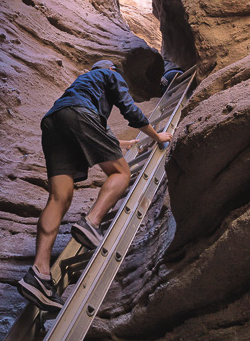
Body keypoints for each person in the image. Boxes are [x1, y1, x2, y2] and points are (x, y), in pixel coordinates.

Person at [17, 59, 173, 312]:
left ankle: (39, 273)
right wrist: (156, 136)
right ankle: (91, 223)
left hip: (53, 122)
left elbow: (84, 118)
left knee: (59, 198)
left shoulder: (81, 84)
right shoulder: (109, 75)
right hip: (78, 116)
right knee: (121, 172)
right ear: (111, 70)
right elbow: (128, 109)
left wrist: (118, 143)